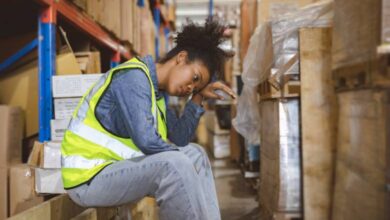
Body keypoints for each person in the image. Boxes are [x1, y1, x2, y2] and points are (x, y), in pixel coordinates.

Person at [61, 20, 236, 220]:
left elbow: (180, 138)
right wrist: (181, 161)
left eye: (195, 87)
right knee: (174, 164)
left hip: (113, 171)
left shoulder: (157, 95)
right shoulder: (133, 78)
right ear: (181, 57)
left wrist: (199, 97)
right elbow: (147, 141)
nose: (190, 88)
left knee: (195, 154)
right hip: (88, 179)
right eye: (194, 78)